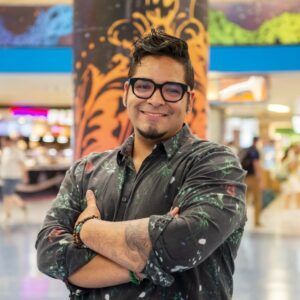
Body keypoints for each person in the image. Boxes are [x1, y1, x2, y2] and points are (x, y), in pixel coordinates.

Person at [36, 29, 247, 300]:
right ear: (127, 92)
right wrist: (144, 263)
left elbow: (183, 245)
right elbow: (49, 253)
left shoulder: (215, 165)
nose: (155, 99)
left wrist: (86, 229)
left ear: (189, 100)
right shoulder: (86, 170)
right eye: (144, 86)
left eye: (171, 90)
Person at [0, 136, 28, 224]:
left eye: (4, 141)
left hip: (13, 177)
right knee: (9, 195)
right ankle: (22, 205)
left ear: (9, 141)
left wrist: (25, 175)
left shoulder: (17, 151)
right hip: (5, 176)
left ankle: (7, 215)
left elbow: (22, 164)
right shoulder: (5, 151)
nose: (3, 143)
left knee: (7, 195)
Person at [242, 136, 263, 226]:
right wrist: (260, 179)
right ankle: (257, 221)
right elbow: (256, 164)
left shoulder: (247, 150)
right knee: (257, 200)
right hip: (253, 178)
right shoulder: (255, 151)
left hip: (245, 178)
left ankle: (240, 222)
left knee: (244, 201)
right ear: (257, 142)